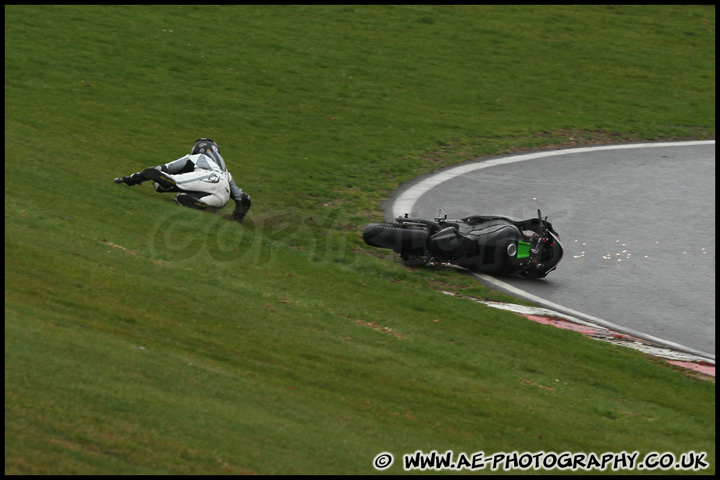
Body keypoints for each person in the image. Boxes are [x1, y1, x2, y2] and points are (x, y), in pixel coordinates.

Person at [114, 138, 251, 222]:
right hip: (223, 197)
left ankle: (168, 183)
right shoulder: (227, 173)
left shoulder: (196, 158)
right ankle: (200, 204)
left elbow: (162, 168)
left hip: (209, 178)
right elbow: (243, 199)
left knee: (167, 180)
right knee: (182, 198)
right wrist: (238, 217)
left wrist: (132, 178)